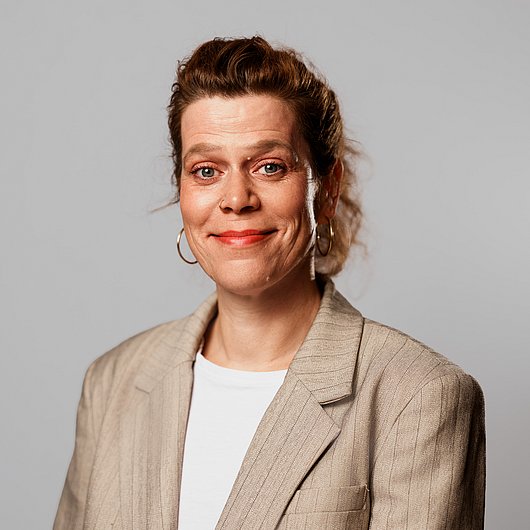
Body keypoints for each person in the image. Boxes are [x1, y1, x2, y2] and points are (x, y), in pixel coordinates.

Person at [54, 37, 485, 530]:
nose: (236, 198)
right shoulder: (111, 382)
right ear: (182, 191)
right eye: (206, 170)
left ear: (327, 189)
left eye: (269, 167)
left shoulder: (420, 395)